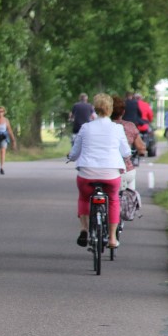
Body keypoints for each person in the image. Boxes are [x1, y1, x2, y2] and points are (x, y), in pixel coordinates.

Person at [67, 93, 131, 249]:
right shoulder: (117, 128)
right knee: (114, 200)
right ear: (110, 110)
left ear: (94, 109)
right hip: (110, 175)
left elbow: (75, 152)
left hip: (87, 174)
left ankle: (84, 229)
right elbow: (126, 152)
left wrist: (71, 157)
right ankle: (112, 238)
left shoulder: (85, 127)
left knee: (83, 198)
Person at [111, 95, 146, 191]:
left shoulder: (101, 126)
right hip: (125, 170)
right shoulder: (130, 126)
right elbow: (140, 147)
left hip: (103, 170)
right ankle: (130, 200)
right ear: (123, 111)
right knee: (130, 189)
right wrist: (142, 151)